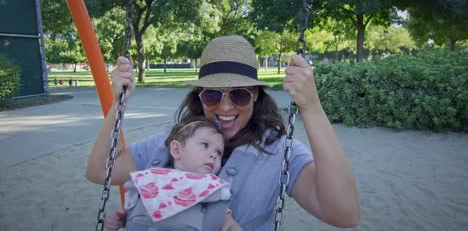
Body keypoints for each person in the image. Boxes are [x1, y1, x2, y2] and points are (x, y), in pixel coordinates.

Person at [86, 35, 360, 230]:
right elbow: (99, 172)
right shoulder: (174, 140)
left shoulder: (278, 151)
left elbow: (344, 214)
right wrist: (117, 105)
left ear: (255, 95)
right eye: (213, 95)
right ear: (199, 96)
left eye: (239, 95)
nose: (225, 107)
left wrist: (311, 107)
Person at [104, 116, 242, 231]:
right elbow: (134, 208)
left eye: (219, 152)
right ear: (176, 149)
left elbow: (221, 212)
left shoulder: (211, 186)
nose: (213, 155)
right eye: (205, 145)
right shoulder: (151, 178)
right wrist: (120, 218)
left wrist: (228, 221)